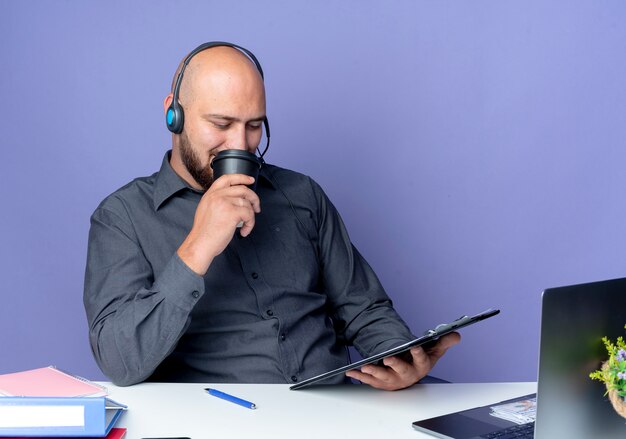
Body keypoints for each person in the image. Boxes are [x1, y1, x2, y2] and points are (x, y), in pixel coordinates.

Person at [83, 42, 459, 389]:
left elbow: (364, 308)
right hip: (216, 422)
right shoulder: (122, 216)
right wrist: (198, 246)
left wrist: (399, 357)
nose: (239, 144)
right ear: (173, 114)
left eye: (254, 125)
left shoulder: (301, 195)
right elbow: (119, 361)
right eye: (221, 124)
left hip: (333, 416)